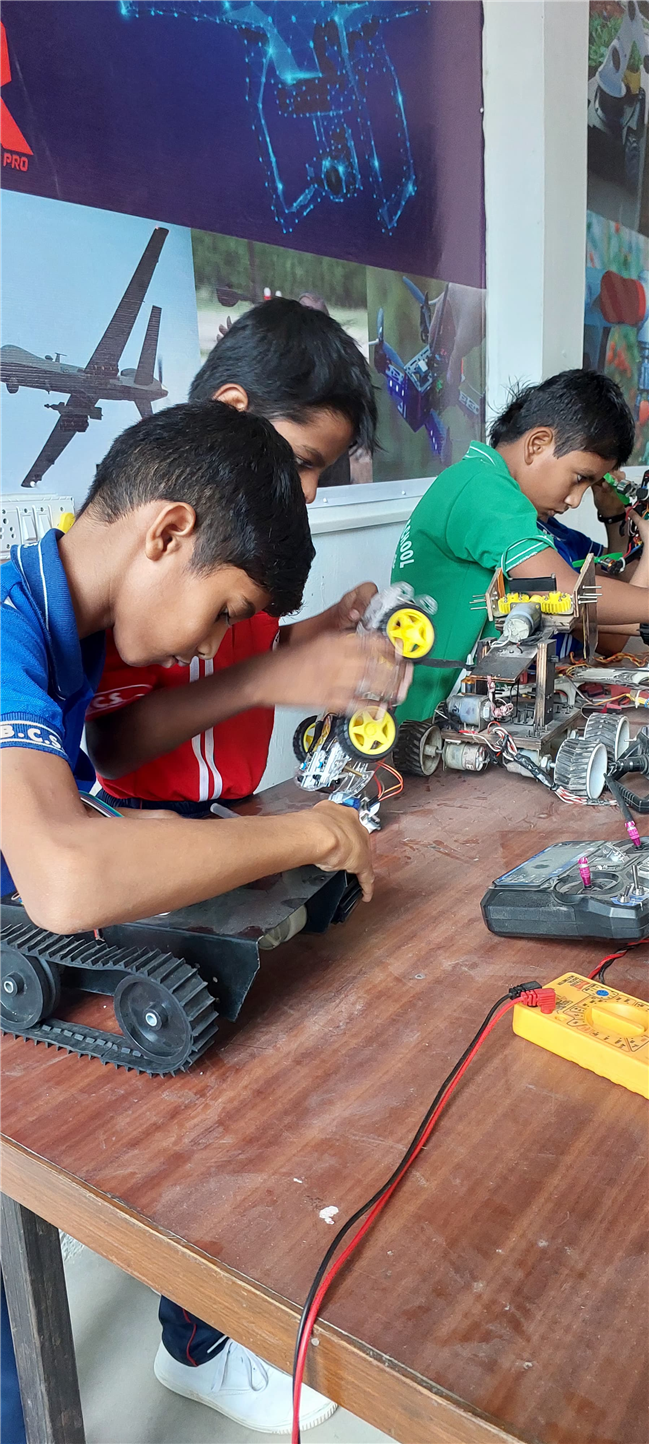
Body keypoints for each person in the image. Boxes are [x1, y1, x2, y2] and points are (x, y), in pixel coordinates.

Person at [0, 403, 410, 1437]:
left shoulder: (58, 620)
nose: (218, 641)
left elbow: (104, 758)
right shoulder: (7, 619)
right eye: (227, 611)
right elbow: (61, 878)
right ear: (169, 531)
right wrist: (307, 833)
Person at [86, 298, 383, 810]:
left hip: (239, 804)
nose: (309, 492)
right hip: (149, 818)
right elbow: (111, 749)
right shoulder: (150, 563)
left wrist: (329, 626)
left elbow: (252, 648)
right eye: (301, 461)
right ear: (232, 409)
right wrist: (260, 683)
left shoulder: (253, 549)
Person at [392, 369, 648, 726]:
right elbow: (566, 591)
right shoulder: (483, 489)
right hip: (427, 724)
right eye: (579, 478)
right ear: (537, 444)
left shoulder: (489, 490)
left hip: (468, 719)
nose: (575, 500)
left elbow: (602, 612)